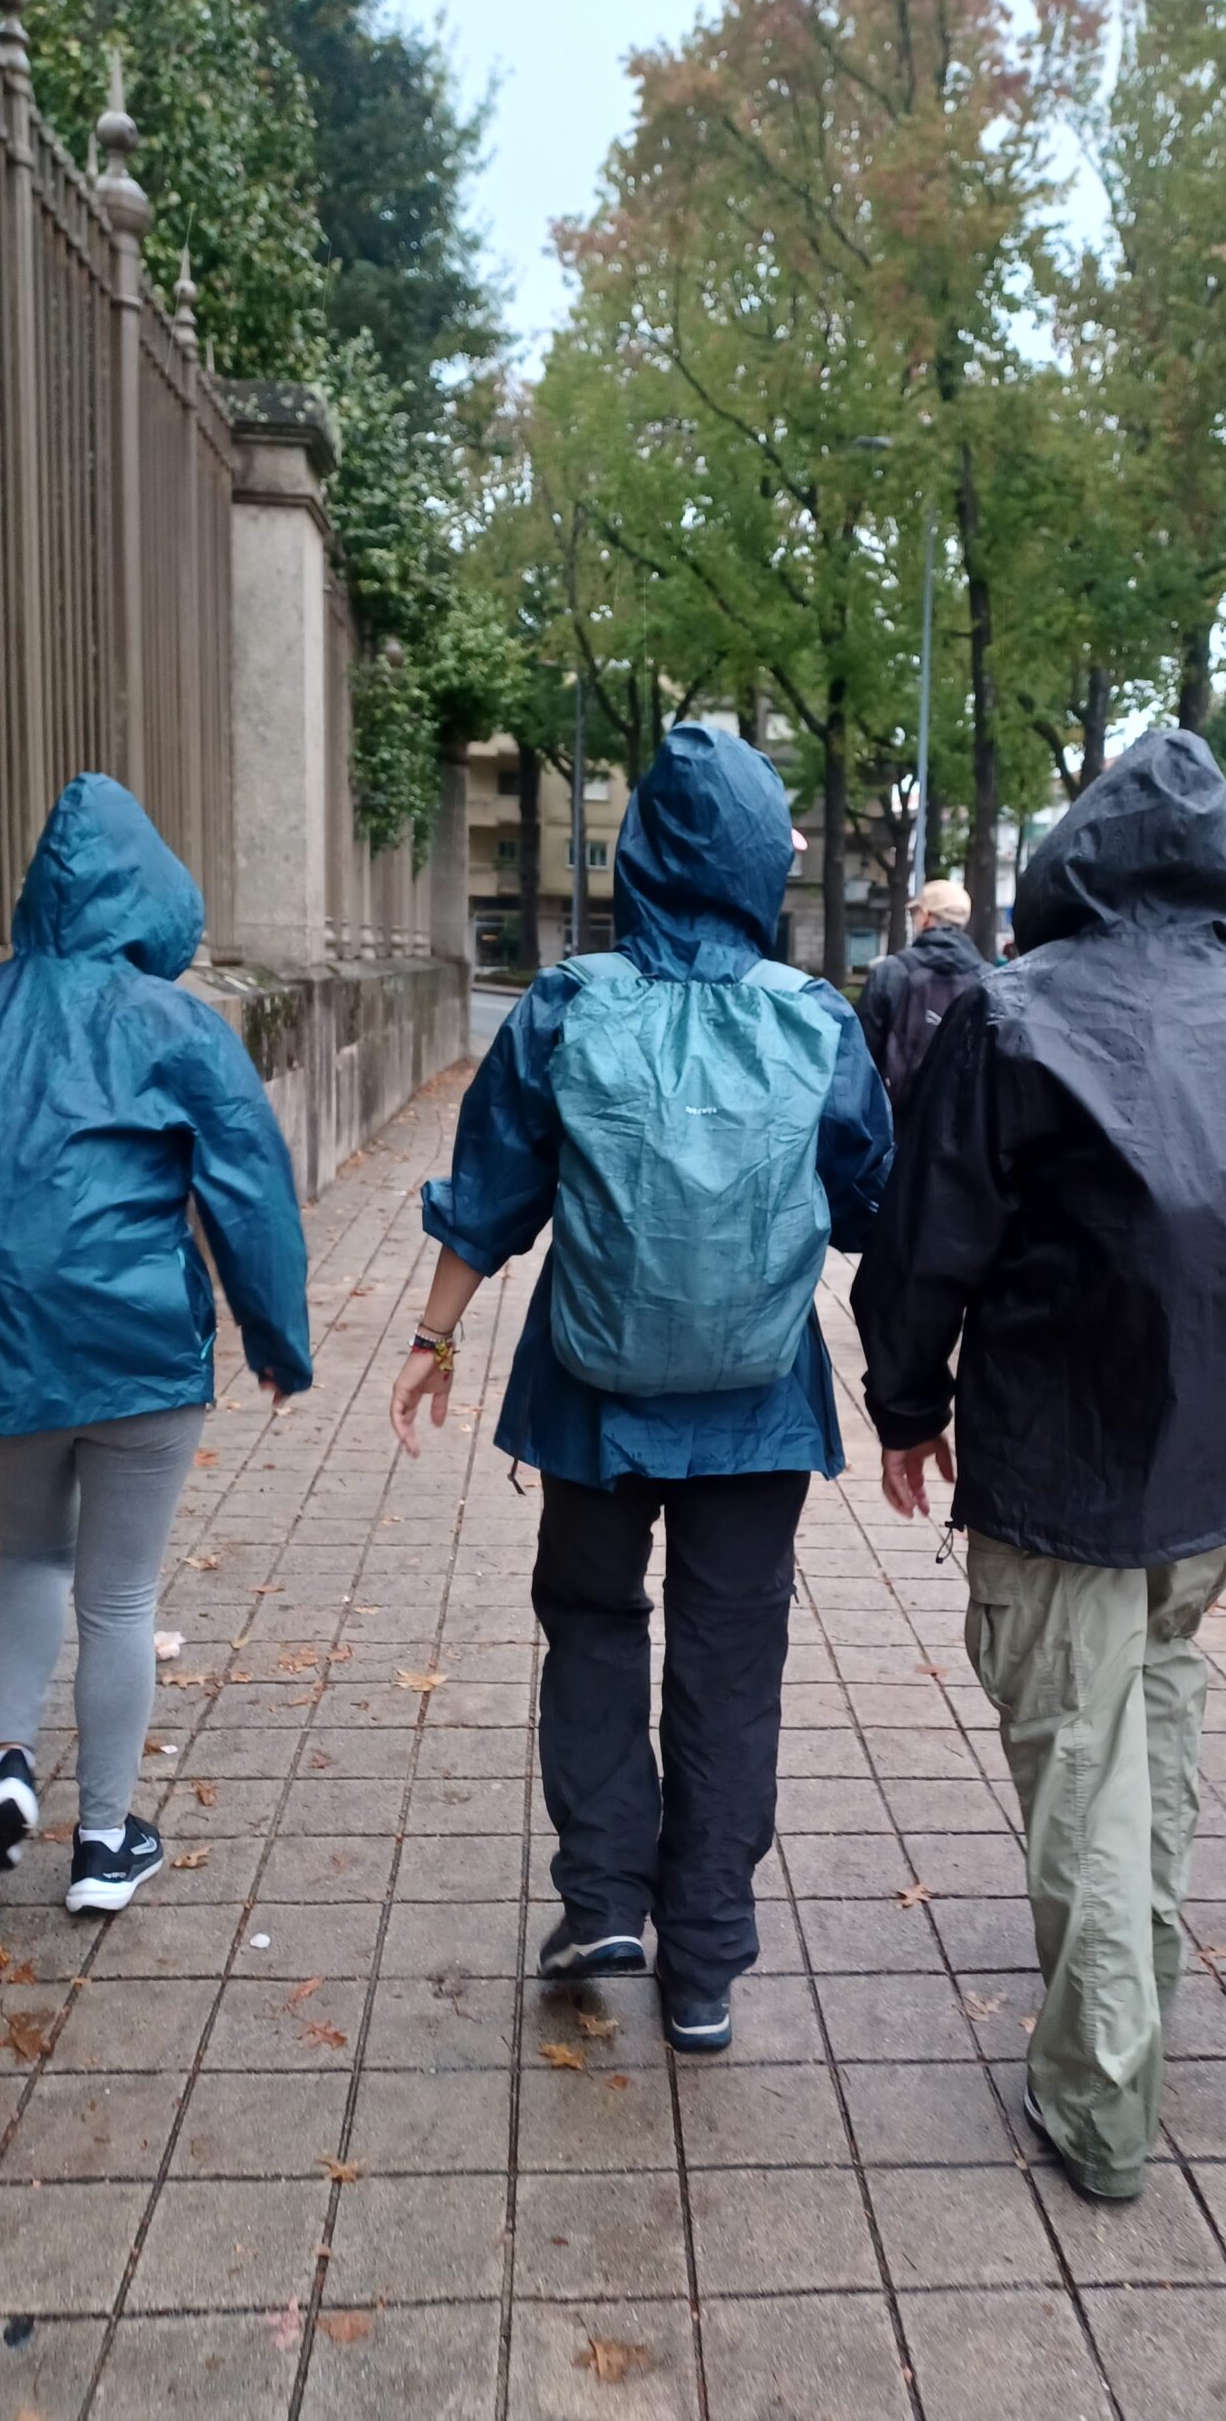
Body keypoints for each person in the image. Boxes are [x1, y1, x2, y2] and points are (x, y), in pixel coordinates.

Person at [853, 731, 1226, 2202]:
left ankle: (1101, 2098)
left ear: (1081, 858)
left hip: (1059, 1462)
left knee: (1085, 1758)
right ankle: (1131, 2000)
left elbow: (926, 1243)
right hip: (1219, 1474)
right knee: (1149, 1722)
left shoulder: (1010, 1016)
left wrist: (908, 1406)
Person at [391, 723, 891, 2053]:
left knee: (593, 1621)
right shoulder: (814, 1019)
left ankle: (605, 1895)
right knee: (733, 1659)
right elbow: (866, 1211)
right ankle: (707, 1961)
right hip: (760, 1405)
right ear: (761, 863)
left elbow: (489, 1191)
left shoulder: (566, 1004)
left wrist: (432, 1339)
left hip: (592, 1394)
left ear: (639, 857)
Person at [0, 774, 312, 1915]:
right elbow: (250, 1190)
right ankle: (106, 1845)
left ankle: (7, 1764)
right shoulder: (176, 1023)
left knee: (30, 1556)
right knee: (119, 1597)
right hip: (142, 1350)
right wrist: (277, 1339)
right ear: (152, 898)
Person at [855, 876, 988, 1121]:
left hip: (896, 1124)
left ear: (926, 917)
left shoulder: (890, 973)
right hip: (960, 1127)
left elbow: (860, 1055)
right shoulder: (988, 979)